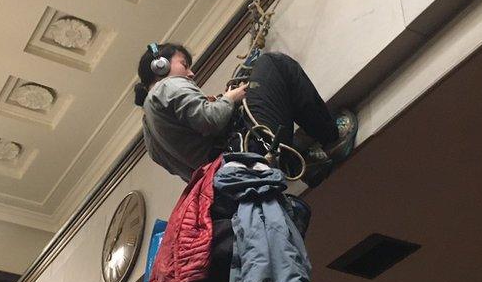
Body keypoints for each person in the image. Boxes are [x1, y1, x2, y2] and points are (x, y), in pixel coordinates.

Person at [135, 43, 356, 185]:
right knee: (274, 64)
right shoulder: (169, 86)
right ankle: (332, 139)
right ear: (160, 66)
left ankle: (304, 164)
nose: (191, 74)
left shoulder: (149, 130)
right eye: (184, 64)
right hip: (249, 152)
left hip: (232, 177)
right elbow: (210, 120)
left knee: (291, 136)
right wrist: (230, 98)